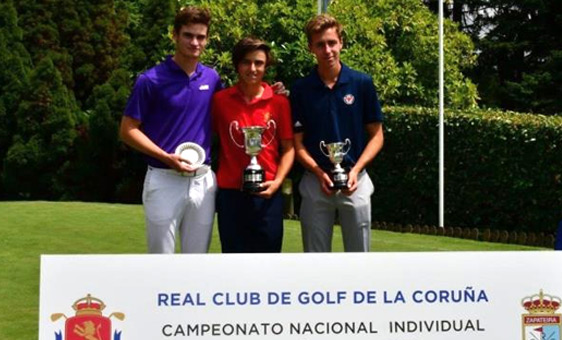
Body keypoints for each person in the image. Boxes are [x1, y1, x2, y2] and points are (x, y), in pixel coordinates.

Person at [119, 7, 220, 254]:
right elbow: (127, 130)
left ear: (206, 40)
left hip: (202, 180)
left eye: (200, 37)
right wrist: (166, 157)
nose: (195, 42)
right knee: (160, 262)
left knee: (196, 263)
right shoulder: (150, 80)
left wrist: (273, 92)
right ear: (174, 35)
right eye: (188, 35)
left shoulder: (213, 78)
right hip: (163, 178)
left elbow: (235, 106)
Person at [290, 14, 384, 252]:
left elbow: (377, 135)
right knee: (315, 261)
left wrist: (354, 170)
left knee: (359, 260)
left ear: (341, 42)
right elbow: (297, 143)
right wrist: (318, 171)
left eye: (332, 42)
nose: (327, 50)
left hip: (356, 181)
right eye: (320, 44)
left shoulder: (361, 83)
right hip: (315, 183)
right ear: (311, 47)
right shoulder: (301, 89)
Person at [211, 37, 294, 253]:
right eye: (247, 62)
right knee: (232, 260)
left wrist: (277, 182)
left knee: (268, 263)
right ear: (237, 64)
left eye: (259, 63)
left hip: (268, 194)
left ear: (266, 66)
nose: (253, 68)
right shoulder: (220, 101)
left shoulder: (280, 103)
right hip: (231, 194)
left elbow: (288, 149)